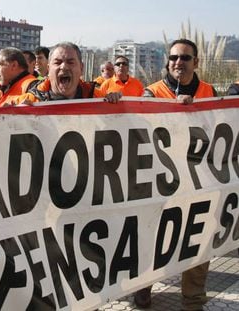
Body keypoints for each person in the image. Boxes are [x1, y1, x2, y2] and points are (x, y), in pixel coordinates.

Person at [134, 39, 216, 311]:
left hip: (198, 183)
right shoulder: (152, 92)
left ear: (196, 62)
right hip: (158, 184)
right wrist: (174, 112)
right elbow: (138, 126)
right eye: (173, 57)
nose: (178, 62)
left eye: (184, 57)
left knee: (198, 241)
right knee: (149, 239)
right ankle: (143, 287)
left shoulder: (210, 92)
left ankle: (193, 301)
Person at [18, 42, 121, 104]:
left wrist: (115, 105)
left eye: (70, 62)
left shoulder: (98, 99)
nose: (64, 66)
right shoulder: (29, 101)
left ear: (81, 68)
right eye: (58, 62)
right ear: (49, 69)